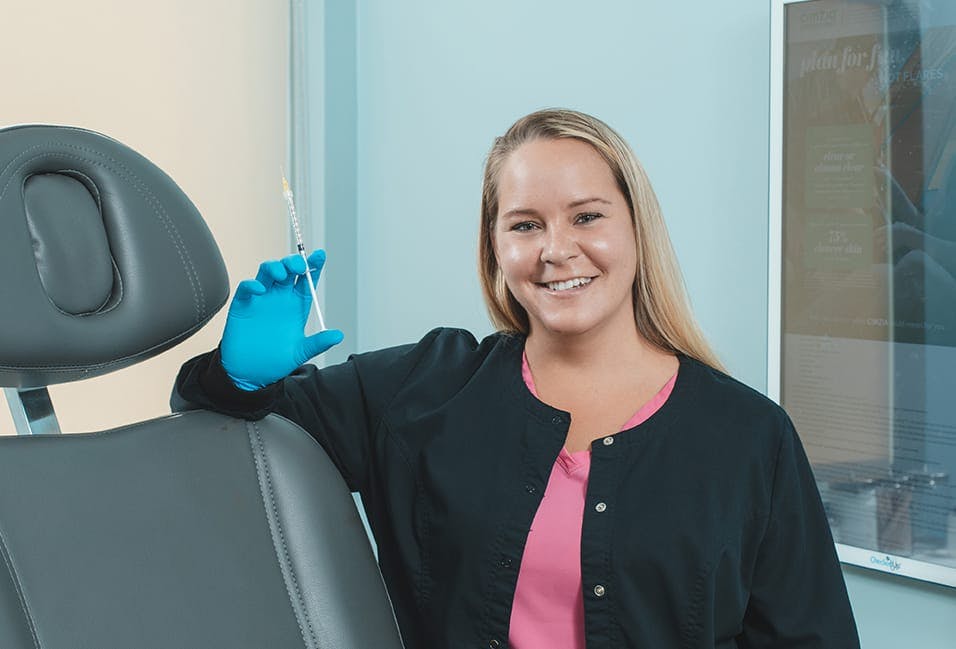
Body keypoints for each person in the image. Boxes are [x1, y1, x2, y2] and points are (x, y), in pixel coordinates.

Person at [173, 109, 860, 648]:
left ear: (636, 228)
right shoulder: (424, 391)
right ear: (495, 249)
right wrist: (235, 373)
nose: (557, 249)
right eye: (525, 224)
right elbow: (231, 429)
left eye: (587, 216)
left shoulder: (747, 437)